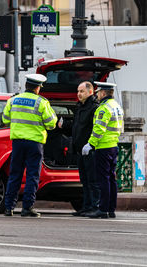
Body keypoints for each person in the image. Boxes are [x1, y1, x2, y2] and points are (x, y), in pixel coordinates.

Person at [2, 74, 57, 217]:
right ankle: (27, 207)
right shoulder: (42, 102)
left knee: (15, 174)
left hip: (18, 143)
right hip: (35, 143)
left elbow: (5, 119)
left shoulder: (13, 100)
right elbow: (51, 123)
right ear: (38, 88)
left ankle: (9, 207)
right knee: (32, 175)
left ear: (26, 86)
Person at [58, 81, 99, 216]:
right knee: (85, 181)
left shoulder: (94, 108)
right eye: (78, 91)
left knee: (93, 181)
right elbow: (77, 127)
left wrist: (91, 145)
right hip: (79, 150)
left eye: (81, 91)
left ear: (90, 92)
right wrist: (64, 125)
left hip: (90, 150)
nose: (78, 94)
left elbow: (96, 129)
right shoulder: (79, 107)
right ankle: (86, 207)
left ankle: (95, 206)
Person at [84, 82, 124, 219]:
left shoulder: (104, 108)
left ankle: (103, 209)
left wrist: (90, 144)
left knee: (103, 180)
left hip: (103, 147)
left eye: (98, 92)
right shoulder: (117, 106)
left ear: (103, 93)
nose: (96, 95)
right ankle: (111, 209)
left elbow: (99, 129)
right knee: (111, 179)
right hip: (114, 146)